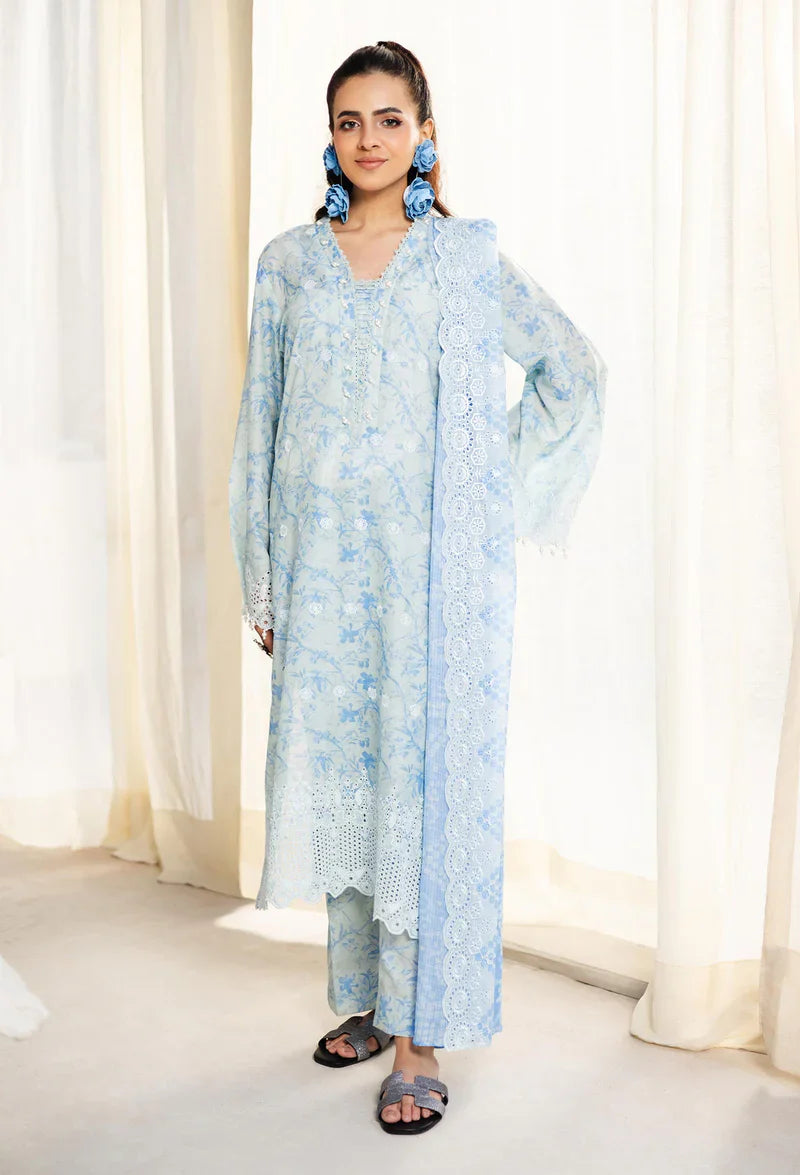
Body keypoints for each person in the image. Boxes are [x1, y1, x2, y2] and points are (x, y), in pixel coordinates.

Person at [228, 40, 606, 1136]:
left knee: (419, 794)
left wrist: (482, 498)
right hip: (323, 575)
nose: (369, 139)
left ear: (424, 132)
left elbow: (569, 368)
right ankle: (366, 997)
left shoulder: (461, 261)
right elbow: (261, 422)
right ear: (328, 135)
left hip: (428, 583)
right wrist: (264, 572)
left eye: (389, 119)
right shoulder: (289, 265)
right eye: (348, 120)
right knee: (353, 790)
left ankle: (420, 1036)